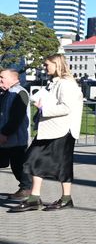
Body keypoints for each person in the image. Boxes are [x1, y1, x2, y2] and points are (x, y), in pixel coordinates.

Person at [11, 54, 83, 212]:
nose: (45, 67)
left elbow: (67, 107)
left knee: (60, 164)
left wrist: (44, 108)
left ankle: (65, 198)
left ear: (57, 65)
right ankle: (35, 197)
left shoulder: (67, 84)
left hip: (62, 130)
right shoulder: (54, 83)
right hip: (50, 129)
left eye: (46, 64)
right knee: (33, 160)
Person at [0, 69, 31, 201]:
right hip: (6, 137)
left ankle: (27, 188)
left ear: (14, 79)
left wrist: (4, 133)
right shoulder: (6, 93)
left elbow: (17, 117)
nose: (0, 80)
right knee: (15, 164)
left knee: (18, 165)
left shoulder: (20, 92)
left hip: (16, 138)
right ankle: (26, 187)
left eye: (2, 78)